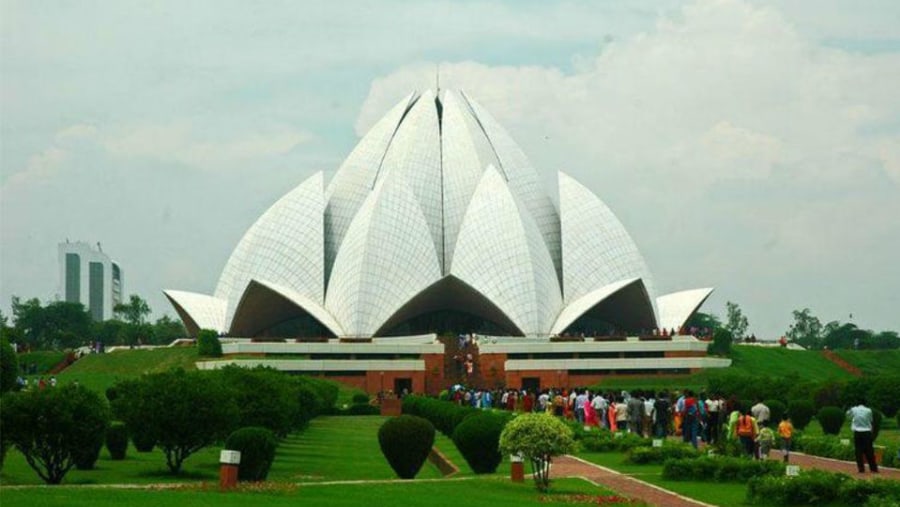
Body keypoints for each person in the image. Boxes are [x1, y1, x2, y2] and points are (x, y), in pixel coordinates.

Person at [847, 399, 879, 473]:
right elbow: (870, 420)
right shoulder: (868, 410)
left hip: (857, 432)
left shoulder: (854, 409)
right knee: (869, 450)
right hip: (867, 432)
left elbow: (848, 415)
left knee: (858, 451)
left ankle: (861, 469)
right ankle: (873, 468)